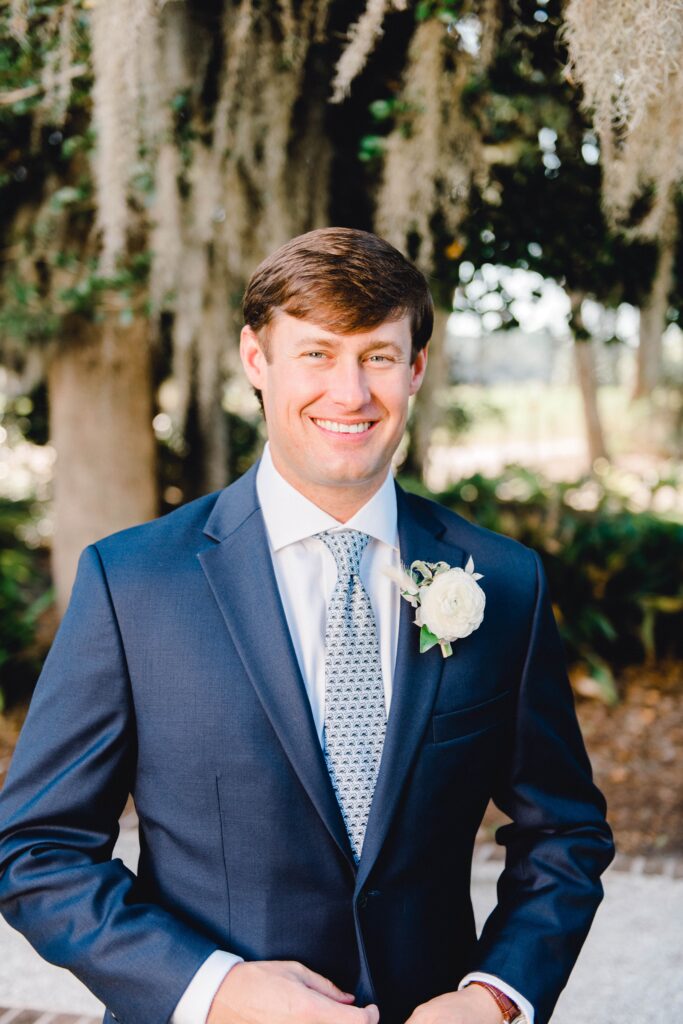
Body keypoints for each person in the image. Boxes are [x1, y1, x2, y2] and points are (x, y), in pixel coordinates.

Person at [0, 228, 614, 1024]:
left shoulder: (500, 581)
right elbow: (36, 851)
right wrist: (216, 989)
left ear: (416, 369)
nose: (351, 393)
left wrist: (495, 996)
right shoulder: (133, 582)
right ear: (257, 360)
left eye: (378, 357)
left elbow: (563, 831)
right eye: (317, 354)